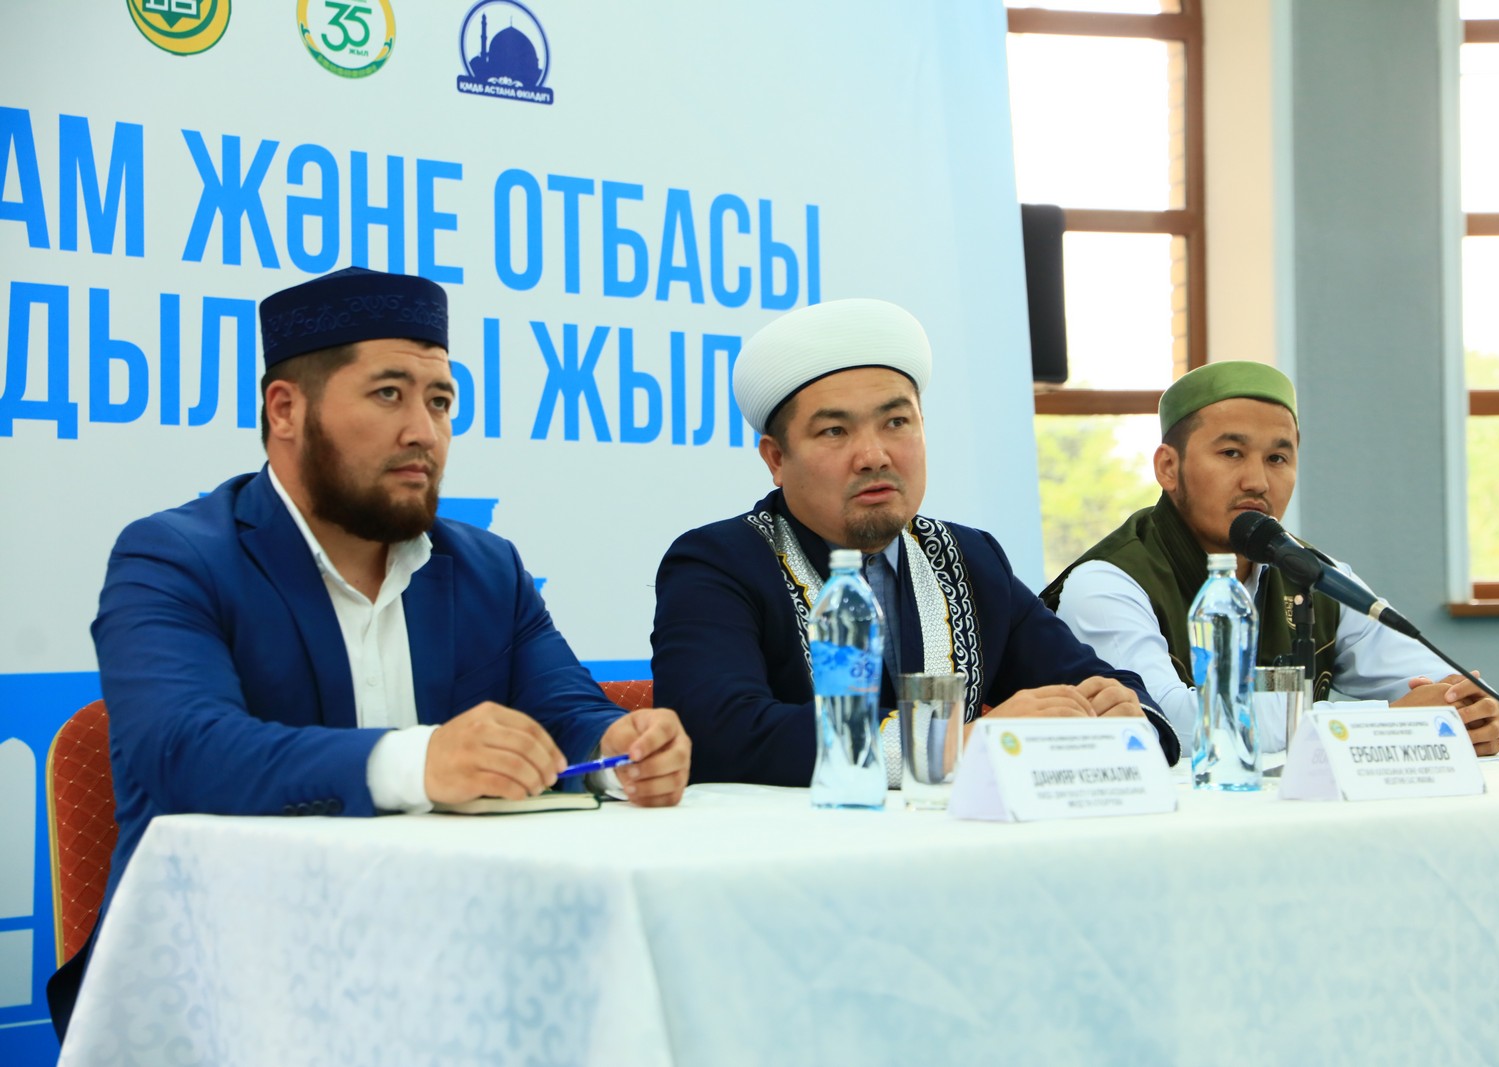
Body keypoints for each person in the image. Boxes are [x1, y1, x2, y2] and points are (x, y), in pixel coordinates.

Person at [48, 267, 691, 1037]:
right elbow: (184, 751)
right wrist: (420, 761)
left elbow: (566, 709)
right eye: (389, 393)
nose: (424, 431)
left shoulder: (486, 568)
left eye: (440, 401)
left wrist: (621, 746)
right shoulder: (175, 557)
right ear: (285, 409)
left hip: (457, 966)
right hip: (227, 986)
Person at [650, 298, 1178, 786]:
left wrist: (1120, 714)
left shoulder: (969, 559)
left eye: (896, 422)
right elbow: (717, 731)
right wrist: (952, 746)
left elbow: (1093, 680)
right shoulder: (719, 564)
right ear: (776, 459)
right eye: (835, 431)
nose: (874, 456)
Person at [1047, 360, 1499, 757]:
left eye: (1277, 459)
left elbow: (1448, 686)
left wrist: (1476, 711)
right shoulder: (1108, 582)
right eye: (1231, 453)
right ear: (1169, 467)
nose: (1257, 481)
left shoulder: (1313, 575)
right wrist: (1389, 721)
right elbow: (1168, 724)